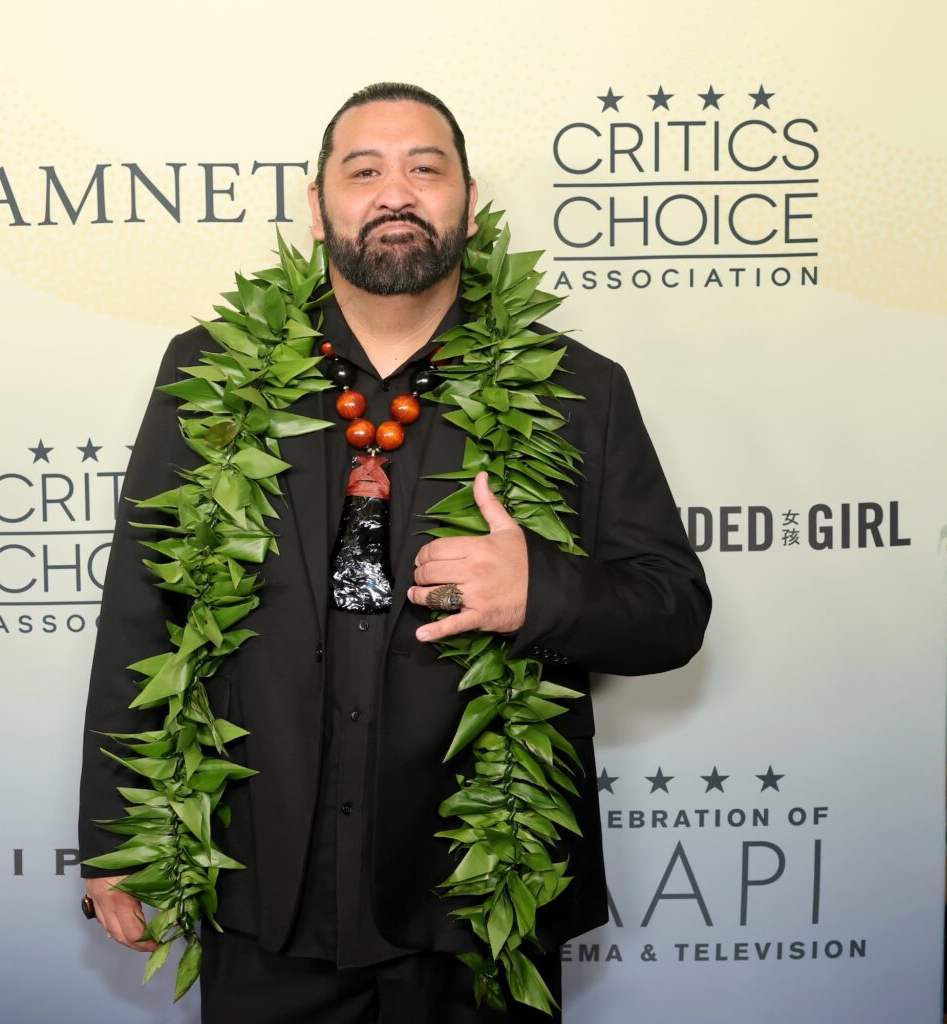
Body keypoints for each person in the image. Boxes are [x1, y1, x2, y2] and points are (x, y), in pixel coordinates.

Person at [77, 82, 711, 1022]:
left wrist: (544, 591)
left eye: (427, 168)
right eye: (363, 169)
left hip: (477, 906)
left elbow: (672, 612)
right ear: (318, 204)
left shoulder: (582, 391)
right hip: (267, 894)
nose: (395, 191)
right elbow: (141, 609)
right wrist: (116, 837)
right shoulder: (206, 374)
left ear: (470, 201)